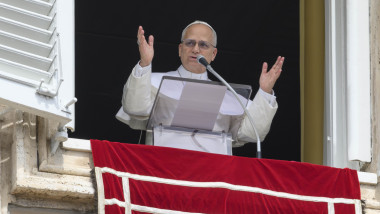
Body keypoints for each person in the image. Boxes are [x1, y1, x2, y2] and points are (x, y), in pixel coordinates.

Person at [117, 20, 284, 147]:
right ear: (180, 49)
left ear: (214, 54)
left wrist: (265, 91)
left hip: (212, 178)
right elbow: (134, 108)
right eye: (190, 43)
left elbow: (252, 133)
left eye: (203, 45)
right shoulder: (154, 81)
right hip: (163, 170)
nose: (196, 49)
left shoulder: (231, 97)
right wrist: (144, 64)